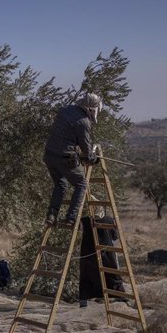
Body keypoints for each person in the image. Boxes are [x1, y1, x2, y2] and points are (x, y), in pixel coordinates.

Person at [44, 93, 102, 227]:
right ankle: (71, 218)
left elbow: (65, 136)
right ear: (92, 109)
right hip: (65, 158)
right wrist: (93, 159)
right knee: (81, 184)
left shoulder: (65, 110)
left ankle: (51, 216)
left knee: (60, 185)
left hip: (49, 155)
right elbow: (87, 151)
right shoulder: (84, 122)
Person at [78, 206, 125, 307]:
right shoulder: (108, 219)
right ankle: (121, 297)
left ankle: (83, 301)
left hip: (88, 254)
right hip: (106, 253)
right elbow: (115, 236)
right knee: (112, 273)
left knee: (87, 275)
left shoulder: (84, 220)